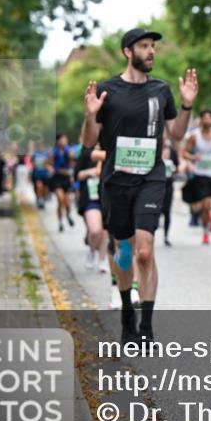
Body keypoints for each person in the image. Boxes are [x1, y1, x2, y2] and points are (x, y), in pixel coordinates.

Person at [82, 27, 197, 343]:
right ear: (127, 52)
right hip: (116, 181)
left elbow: (175, 135)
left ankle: (146, 326)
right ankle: (126, 315)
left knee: (144, 251)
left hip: (151, 177)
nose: (151, 51)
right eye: (144, 46)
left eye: (153, 47)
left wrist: (186, 106)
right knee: (123, 250)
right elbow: (88, 141)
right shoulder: (107, 90)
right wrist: (90, 115)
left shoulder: (161, 91)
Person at [183, 110, 211, 245]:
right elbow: (184, 153)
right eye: (205, 118)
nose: (208, 121)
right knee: (206, 204)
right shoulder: (194, 136)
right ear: (201, 120)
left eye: (210, 118)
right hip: (201, 174)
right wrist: (193, 157)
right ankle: (206, 232)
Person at [74, 142, 108, 272]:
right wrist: (92, 172)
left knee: (105, 232)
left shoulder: (112, 151)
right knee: (95, 230)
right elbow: (77, 175)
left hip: (107, 197)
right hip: (91, 197)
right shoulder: (86, 153)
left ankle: (102, 259)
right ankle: (92, 251)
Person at [48, 133, 75, 232]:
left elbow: (73, 163)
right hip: (57, 178)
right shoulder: (53, 152)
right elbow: (48, 163)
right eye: (62, 139)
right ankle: (60, 222)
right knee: (60, 199)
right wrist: (50, 168)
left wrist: (71, 171)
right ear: (58, 141)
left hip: (66, 178)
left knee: (67, 202)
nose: (64, 141)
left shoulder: (69, 151)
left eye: (66, 139)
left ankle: (68, 214)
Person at [161, 131, 179, 247]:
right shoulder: (155, 151)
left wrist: (173, 169)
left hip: (168, 184)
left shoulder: (172, 151)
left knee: (167, 211)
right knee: (155, 211)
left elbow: (178, 166)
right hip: (155, 184)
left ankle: (166, 236)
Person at [30, 142, 51, 209]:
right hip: (37, 174)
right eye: (39, 145)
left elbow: (50, 163)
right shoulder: (35, 154)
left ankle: (43, 198)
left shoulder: (47, 154)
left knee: (45, 188)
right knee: (39, 186)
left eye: (42, 145)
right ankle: (39, 199)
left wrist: (47, 164)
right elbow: (32, 164)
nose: (41, 147)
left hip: (45, 174)